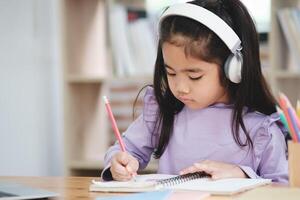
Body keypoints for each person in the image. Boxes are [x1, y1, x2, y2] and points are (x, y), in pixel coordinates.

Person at [101, 0, 288, 183]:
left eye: (194, 76)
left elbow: (282, 189)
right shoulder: (163, 112)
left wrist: (242, 174)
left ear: (234, 69)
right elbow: (126, 150)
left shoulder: (263, 129)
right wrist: (119, 162)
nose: (181, 87)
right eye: (171, 73)